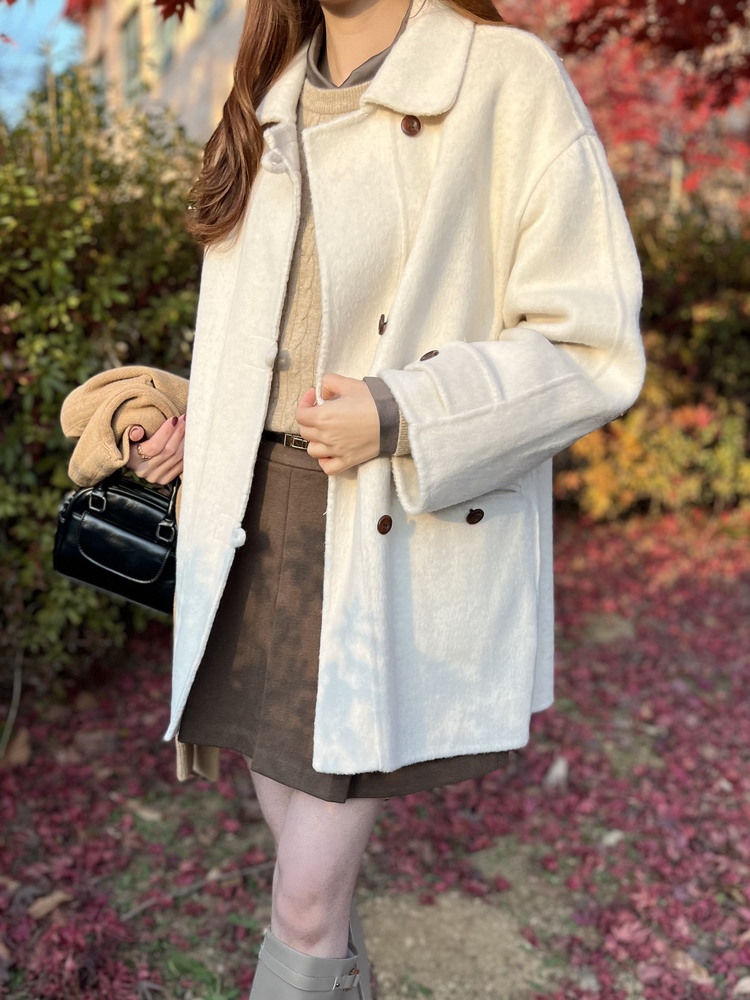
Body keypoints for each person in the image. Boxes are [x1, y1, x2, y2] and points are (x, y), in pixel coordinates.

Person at [125, 0, 646, 996]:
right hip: (255, 528)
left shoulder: (504, 77)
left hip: (385, 521)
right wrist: (205, 423)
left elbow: (592, 346)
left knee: (304, 901)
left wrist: (404, 410)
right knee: (298, 856)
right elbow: (274, 336)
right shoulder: (263, 99)